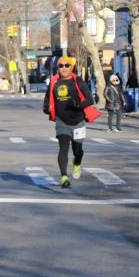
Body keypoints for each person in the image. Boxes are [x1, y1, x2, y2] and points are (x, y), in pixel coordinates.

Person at [43, 56, 95, 188]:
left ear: (72, 67)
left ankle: (77, 163)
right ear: (58, 68)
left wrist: (78, 105)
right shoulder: (54, 82)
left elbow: (90, 100)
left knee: (78, 150)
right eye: (61, 66)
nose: (64, 68)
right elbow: (47, 100)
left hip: (78, 121)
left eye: (67, 65)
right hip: (62, 121)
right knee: (63, 148)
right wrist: (46, 108)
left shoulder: (78, 81)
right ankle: (64, 177)